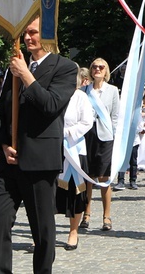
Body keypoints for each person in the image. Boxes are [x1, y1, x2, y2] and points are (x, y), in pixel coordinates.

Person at [0, 16, 78, 274]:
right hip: (9, 162)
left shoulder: (65, 67)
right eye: (25, 33)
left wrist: (26, 75)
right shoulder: (15, 67)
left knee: (43, 231)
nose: (27, 38)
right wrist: (4, 144)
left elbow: (50, 105)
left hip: (39, 161)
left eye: (33, 32)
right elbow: (3, 111)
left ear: (48, 34)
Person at [56, 66, 95, 251]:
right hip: (53, 148)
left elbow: (87, 121)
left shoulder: (81, 97)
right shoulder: (54, 94)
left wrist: (66, 133)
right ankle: (43, 232)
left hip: (74, 149)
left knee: (75, 191)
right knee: (49, 191)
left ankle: (73, 231)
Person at [82, 58, 119, 232]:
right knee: (87, 176)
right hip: (86, 136)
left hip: (105, 137)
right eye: (94, 67)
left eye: (101, 67)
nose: (97, 69)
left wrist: (114, 135)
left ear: (106, 71)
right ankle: (86, 214)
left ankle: (106, 216)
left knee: (104, 177)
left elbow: (115, 116)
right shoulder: (84, 91)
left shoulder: (112, 91)